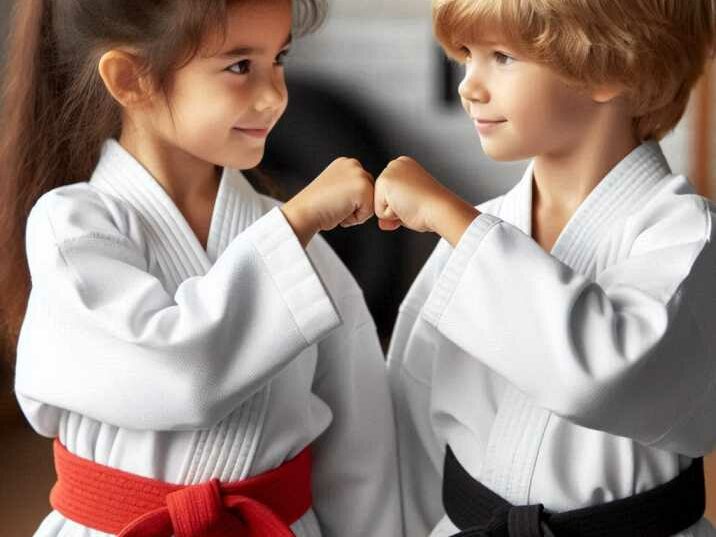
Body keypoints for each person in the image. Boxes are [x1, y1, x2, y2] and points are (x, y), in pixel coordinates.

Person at [0, 1, 401, 536]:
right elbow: (179, 374)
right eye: (240, 66)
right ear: (131, 78)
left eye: (278, 58)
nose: (274, 94)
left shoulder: (286, 241)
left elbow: (360, 441)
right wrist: (298, 221)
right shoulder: (71, 228)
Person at [376, 0, 716, 535]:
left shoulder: (685, 235)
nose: (470, 85)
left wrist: (451, 219)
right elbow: (411, 423)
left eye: (503, 58)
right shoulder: (477, 233)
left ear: (610, 67)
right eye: (467, 54)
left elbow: (603, 373)